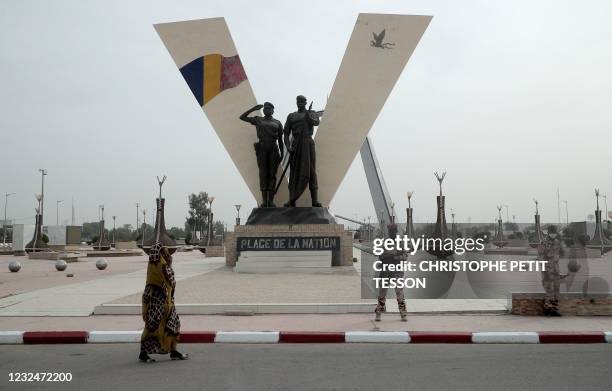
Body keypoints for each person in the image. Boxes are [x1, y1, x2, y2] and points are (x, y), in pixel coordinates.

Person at [139, 242, 188, 362]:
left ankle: (173, 350)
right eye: (164, 252)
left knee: (172, 324)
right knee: (153, 327)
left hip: (165, 301)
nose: (167, 254)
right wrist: (169, 264)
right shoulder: (160, 265)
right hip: (156, 301)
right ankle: (143, 353)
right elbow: (170, 280)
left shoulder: (156, 264)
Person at [240, 102, 284, 207]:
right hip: (262, 147)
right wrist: (253, 108)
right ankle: (264, 201)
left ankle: (271, 201)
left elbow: (280, 140)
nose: (266, 110)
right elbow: (242, 117)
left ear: (273, 110)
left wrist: (282, 153)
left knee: (272, 174)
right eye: (265, 108)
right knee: (263, 173)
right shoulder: (258, 120)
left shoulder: (277, 123)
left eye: (269, 108)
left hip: (274, 148)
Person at [283, 95, 322, 207]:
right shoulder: (291, 116)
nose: (300, 103)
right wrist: (288, 146)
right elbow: (285, 133)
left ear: (305, 103)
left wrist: (308, 116)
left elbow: (316, 123)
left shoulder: (311, 113)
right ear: (296, 102)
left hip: (308, 144)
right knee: (294, 172)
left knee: (312, 171)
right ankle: (292, 199)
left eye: (302, 101)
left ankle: (314, 201)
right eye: (298, 101)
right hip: (296, 147)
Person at [374, 223, 408, 321]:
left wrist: (395, 257)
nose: (392, 232)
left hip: (397, 270)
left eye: (393, 231)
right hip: (386, 270)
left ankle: (403, 313)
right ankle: (379, 312)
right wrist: (384, 256)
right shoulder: (385, 242)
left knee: (399, 292)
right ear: (389, 232)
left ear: (396, 231)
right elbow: (380, 255)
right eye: (390, 231)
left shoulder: (401, 242)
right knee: (382, 293)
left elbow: (405, 256)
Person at [538, 225, 566, 317]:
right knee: (549, 290)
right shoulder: (543, 242)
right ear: (548, 233)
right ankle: (547, 309)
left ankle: (554, 309)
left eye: (554, 232)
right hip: (547, 269)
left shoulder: (558, 242)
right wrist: (544, 269)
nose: (553, 234)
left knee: (557, 289)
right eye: (551, 232)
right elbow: (540, 256)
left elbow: (563, 252)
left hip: (556, 269)